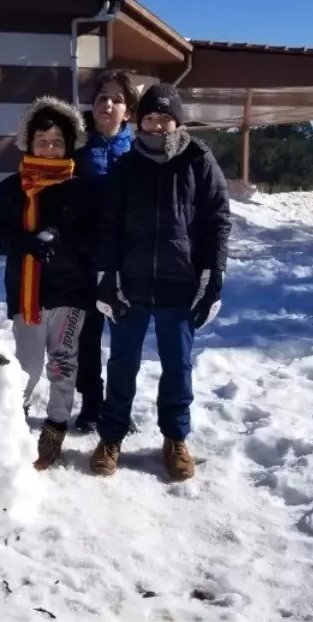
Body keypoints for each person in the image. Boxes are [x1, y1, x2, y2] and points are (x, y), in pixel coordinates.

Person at [90, 82, 232, 482]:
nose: (156, 125)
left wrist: (213, 274)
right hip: (130, 284)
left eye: (164, 117)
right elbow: (108, 226)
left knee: (177, 366)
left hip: (179, 283)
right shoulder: (125, 166)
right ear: (139, 121)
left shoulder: (198, 160)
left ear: (177, 120)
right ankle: (111, 437)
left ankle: (175, 439)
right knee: (121, 365)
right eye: (149, 118)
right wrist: (106, 275)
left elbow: (217, 221)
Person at [0, 96, 94, 470]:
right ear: (29, 143)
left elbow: (94, 240)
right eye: (42, 140)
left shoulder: (81, 189)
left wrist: (62, 243)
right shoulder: (11, 188)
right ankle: (13, 420)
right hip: (27, 295)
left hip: (70, 293)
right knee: (27, 366)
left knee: (63, 362)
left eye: (57, 141)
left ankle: (56, 426)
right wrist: (23, 242)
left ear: (69, 145)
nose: (49, 147)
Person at [72, 69, 140, 433]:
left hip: (127, 260)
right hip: (85, 257)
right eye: (101, 97)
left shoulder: (140, 149)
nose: (107, 104)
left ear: (127, 111)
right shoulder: (77, 145)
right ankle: (91, 402)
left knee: (125, 339)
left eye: (116, 99)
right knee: (88, 335)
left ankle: (119, 406)